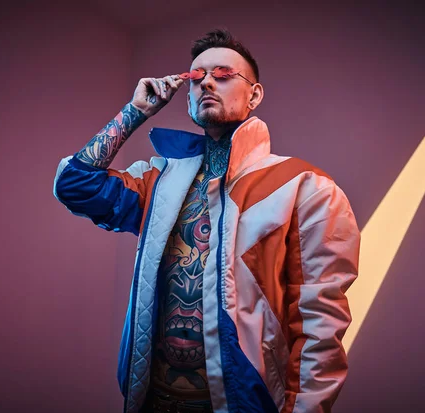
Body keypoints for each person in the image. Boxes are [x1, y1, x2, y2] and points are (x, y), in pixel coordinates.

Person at [53, 28, 360, 413]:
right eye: (197, 77)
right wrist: (136, 112)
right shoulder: (159, 182)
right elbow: (75, 186)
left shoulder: (305, 188)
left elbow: (320, 324)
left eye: (224, 74)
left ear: (255, 94)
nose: (208, 82)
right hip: (151, 400)